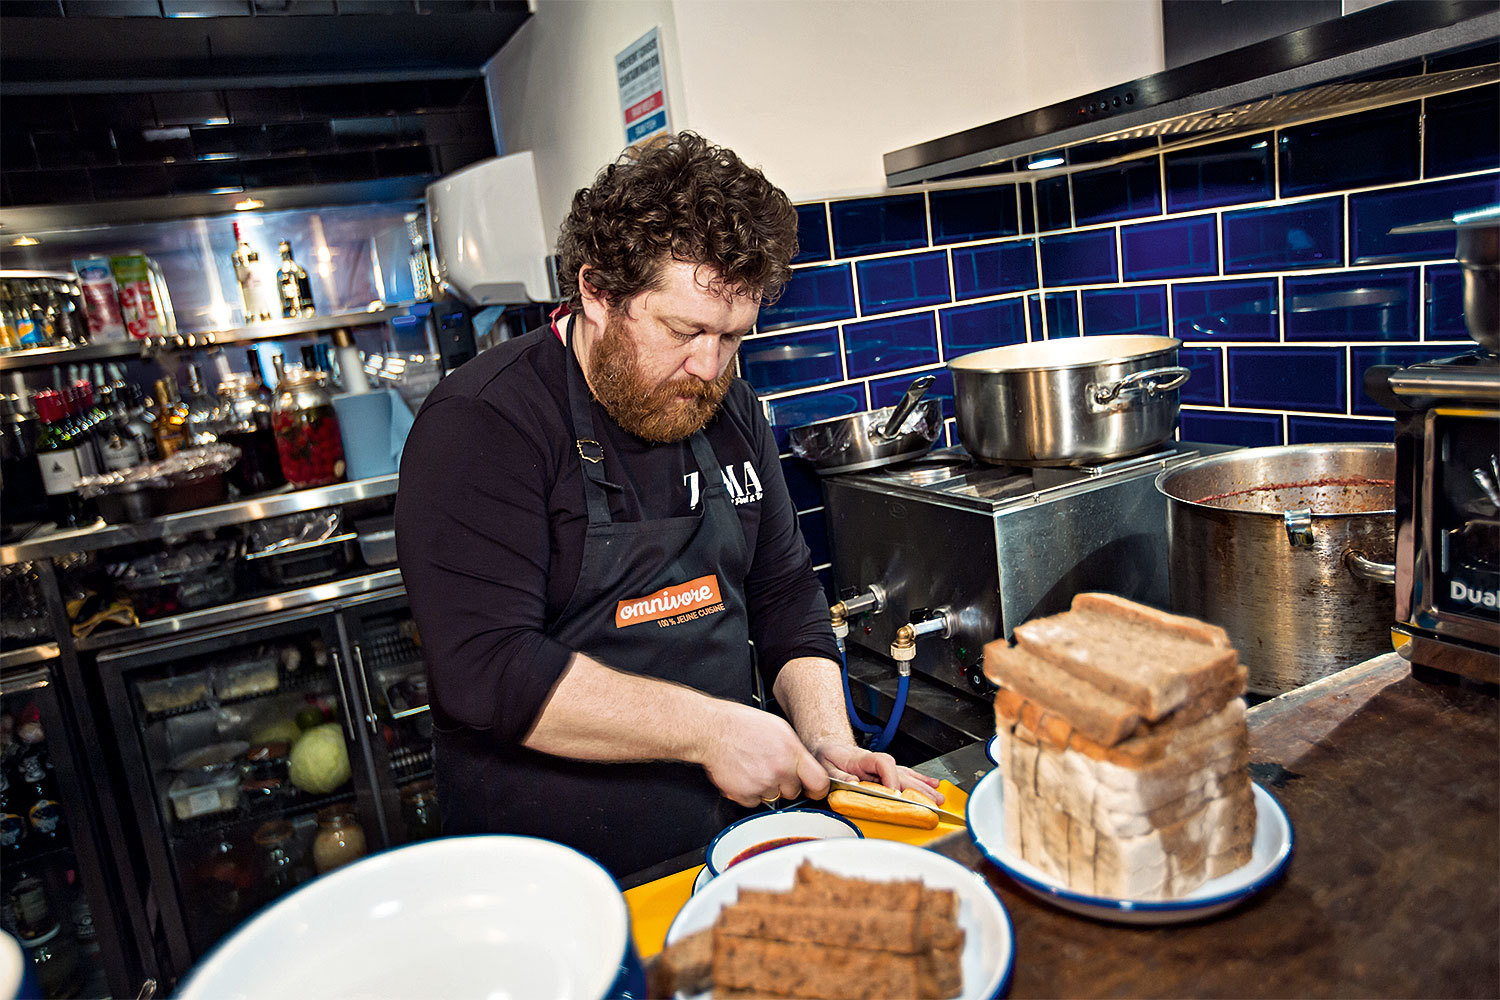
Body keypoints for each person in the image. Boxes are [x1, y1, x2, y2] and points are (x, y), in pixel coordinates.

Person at [395, 132, 941, 877]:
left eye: (732, 337)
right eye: (684, 331)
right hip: (556, 880)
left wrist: (827, 742)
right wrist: (712, 731)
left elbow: (782, 594)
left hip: (726, 847)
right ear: (596, 292)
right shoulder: (482, 426)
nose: (708, 367)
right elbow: (488, 669)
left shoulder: (732, 407)